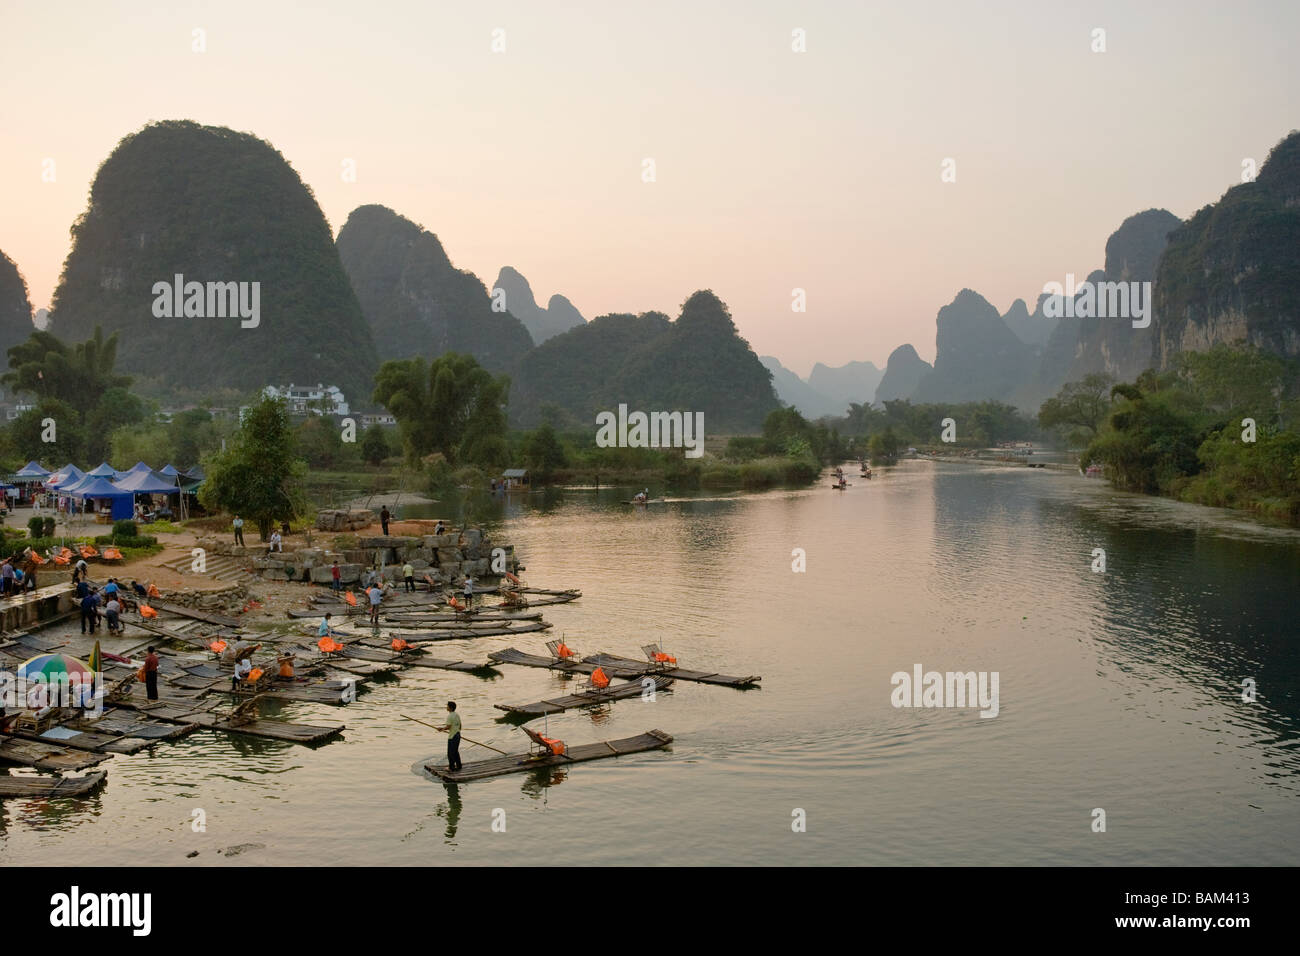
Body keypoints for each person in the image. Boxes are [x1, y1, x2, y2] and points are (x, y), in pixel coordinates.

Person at [436, 701, 463, 772]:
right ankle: (459, 765)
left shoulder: (450, 716)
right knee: (455, 752)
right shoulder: (457, 715)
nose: (446, 707)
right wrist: (456, 731)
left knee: (450, 753)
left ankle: (451, 768)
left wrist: (441, 729)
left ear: (450, 708)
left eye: (447, 706)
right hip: (458, 735)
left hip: (453, 737)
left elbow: (448, 726)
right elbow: (460, 726)